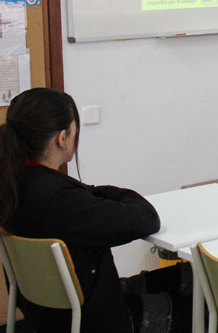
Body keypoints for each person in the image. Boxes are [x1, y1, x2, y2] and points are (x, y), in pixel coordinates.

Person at [0, 88, 191, 333]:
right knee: (208, 306)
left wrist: (86, 190)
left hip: (56, 311)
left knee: (188, 275)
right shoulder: (62, 201)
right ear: (62, 137)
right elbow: (146, 219)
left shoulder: (15, 183)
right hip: (96, 319)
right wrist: (98, 191)